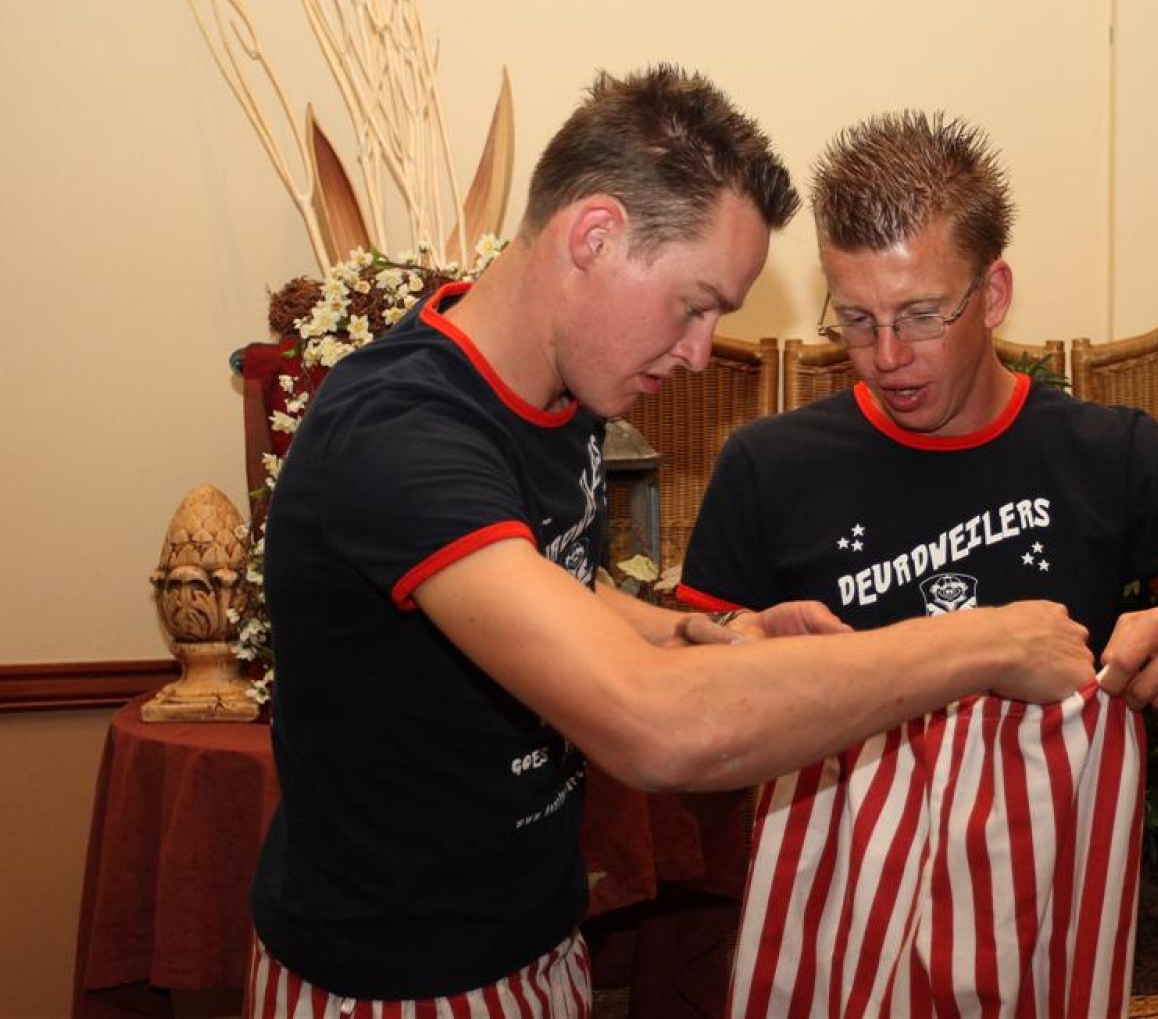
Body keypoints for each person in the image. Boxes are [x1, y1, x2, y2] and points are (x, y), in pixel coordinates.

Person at [247, 70, 1102, 1019]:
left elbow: (548, 581)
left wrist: (708, 634)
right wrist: (982, 641)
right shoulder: (400, 432)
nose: (700, 352)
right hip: (393, 983)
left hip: (531, 937)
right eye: (694, 305)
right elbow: (655, 730)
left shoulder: (557, 382)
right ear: (595, 236)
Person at [677, 111, 1158, 1017]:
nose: (888, 357)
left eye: (922, 315)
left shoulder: (1111, 457)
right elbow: (683, 764)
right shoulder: (770, 466)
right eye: (856, 319)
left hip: (1037, 946)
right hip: (831, 953)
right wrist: (743, 662)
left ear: (995, 292)